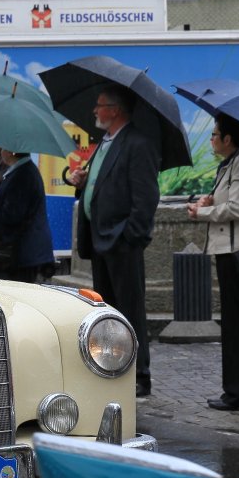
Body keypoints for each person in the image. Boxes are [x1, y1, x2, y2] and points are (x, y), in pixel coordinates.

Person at [63, 84, 159, 398]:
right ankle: (112, 367)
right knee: (108, 312)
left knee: (130, 310)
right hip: (100, 240)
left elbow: (145, 198)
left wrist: (130, 236)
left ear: (115, 110)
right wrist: (81, 182)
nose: (95, 110)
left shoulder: (137, 144)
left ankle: (139, 375)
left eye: (100, 105)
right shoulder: (105, 143)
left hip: (121, 242)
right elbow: (103, 184)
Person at [187, 114, 239, 411]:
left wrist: (203, 213)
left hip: (237, 251)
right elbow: (228, 200)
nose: (211, 139)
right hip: (229, 250)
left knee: (238, 324)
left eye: (215, 134)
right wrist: (209, 202)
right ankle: (234, 391)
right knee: (233, 323)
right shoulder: (233, 162)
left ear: (228, 139)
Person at [0, 148, 54, 283]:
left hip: (21, 254)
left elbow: (11, 216)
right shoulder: (21, 172)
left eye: (2, 148)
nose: (0, 152)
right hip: (22, 253)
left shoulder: (22, 175)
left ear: (10, 151)